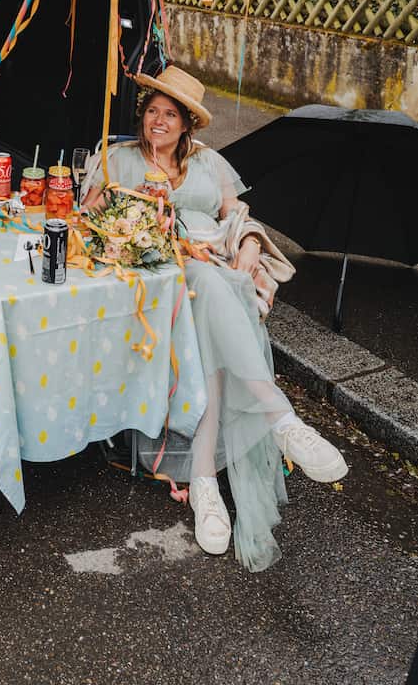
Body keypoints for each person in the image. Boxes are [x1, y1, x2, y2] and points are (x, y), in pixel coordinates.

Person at [81, 64, 348, 572]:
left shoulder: (208, 164)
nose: (159, 121)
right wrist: (117, 212)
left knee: (213, 332)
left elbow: (239, 216)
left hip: (213, 280)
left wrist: (248, 242)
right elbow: (85, 220)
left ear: (188, 125)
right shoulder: (116, 160)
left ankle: (204, 481)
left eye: (170, 115)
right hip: (158, 287)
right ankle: (280, 416)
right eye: (152, 112)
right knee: (206, 284)